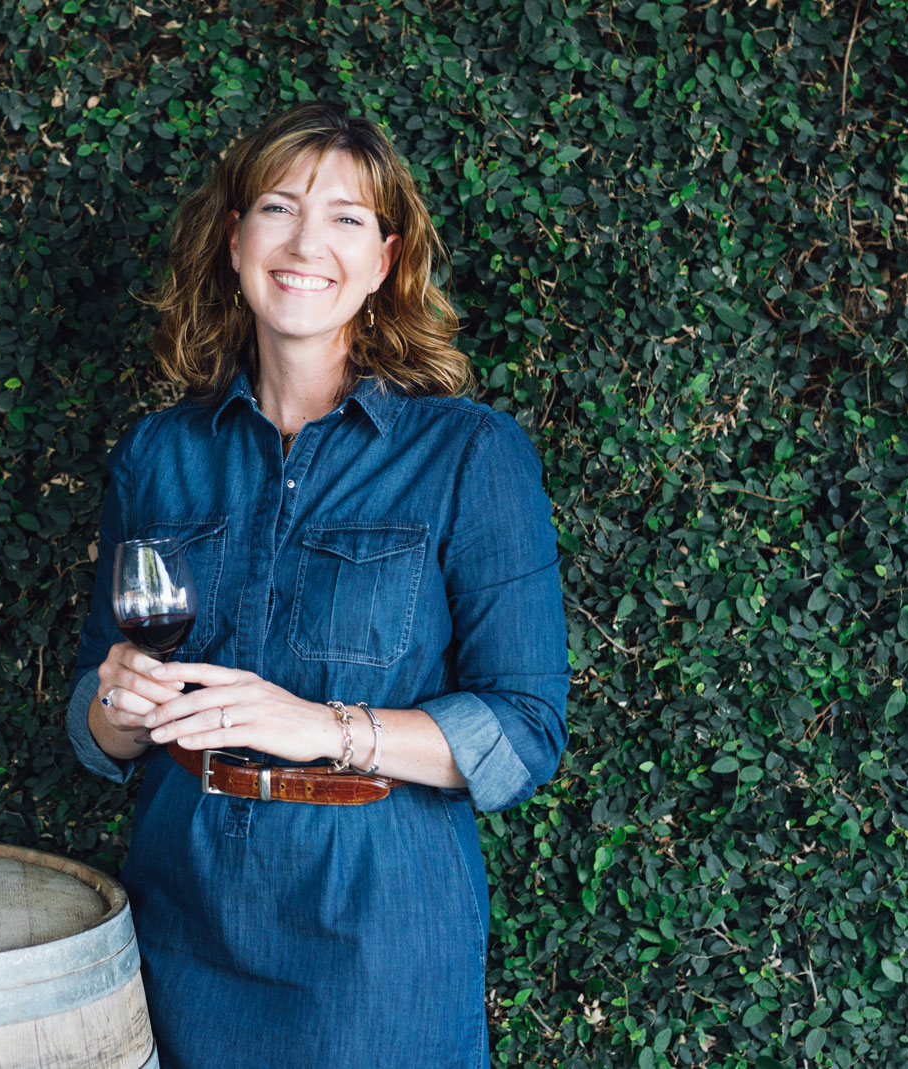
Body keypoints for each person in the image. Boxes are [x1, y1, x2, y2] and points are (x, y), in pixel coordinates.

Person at [65, 101, 570, 1069]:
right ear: (233, 239)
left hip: (374, 921)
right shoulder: (160, 452)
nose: (306, 243)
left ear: (385, 260)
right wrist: (115, 709)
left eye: (345, 218)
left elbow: (522, 730)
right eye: (278, 208)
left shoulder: (469, 452)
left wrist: (323, 727)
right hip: (181, 898)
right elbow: (100, 705)